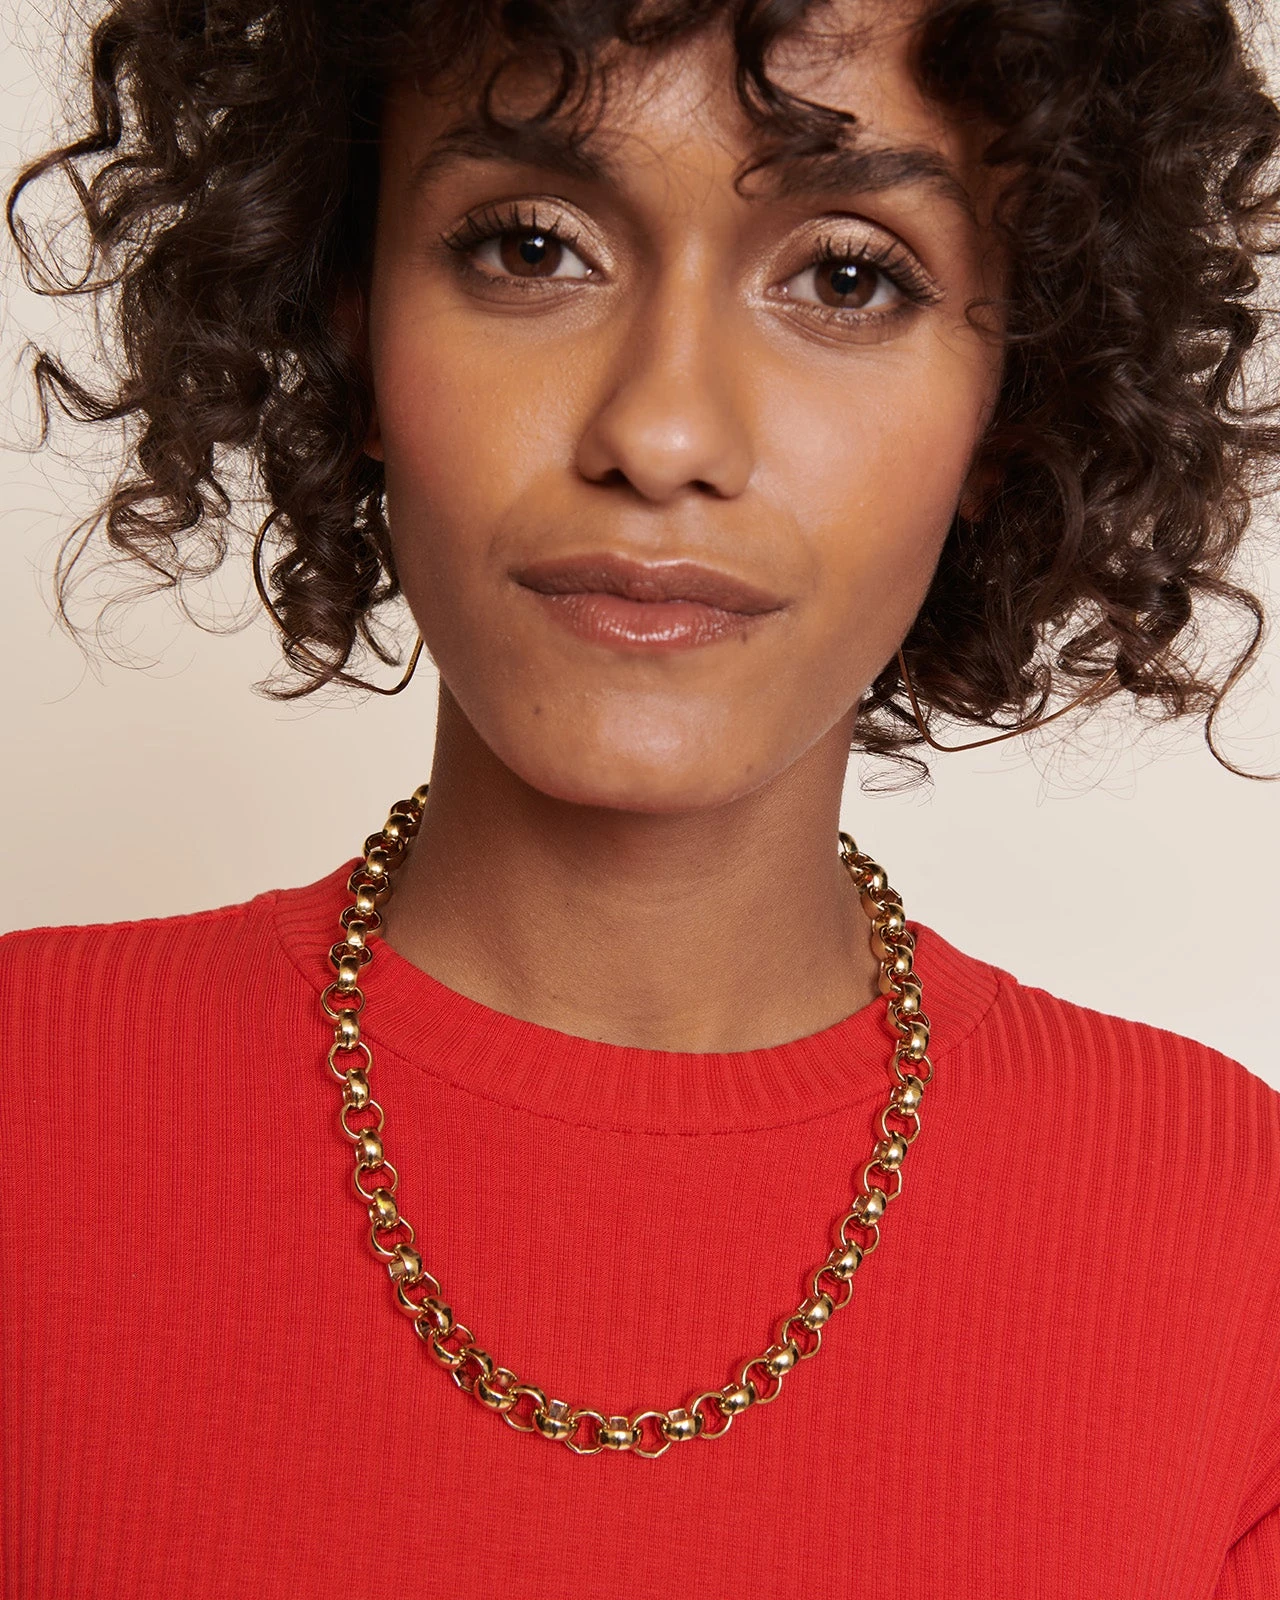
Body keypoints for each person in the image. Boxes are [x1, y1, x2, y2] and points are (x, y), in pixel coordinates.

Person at [3, 0, 1279, 1595]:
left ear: (1015, 401)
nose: (662, 433)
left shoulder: (1231, 1247)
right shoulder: (27, 1113)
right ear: (350, 318)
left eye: (847, 277)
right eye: (532, 248)